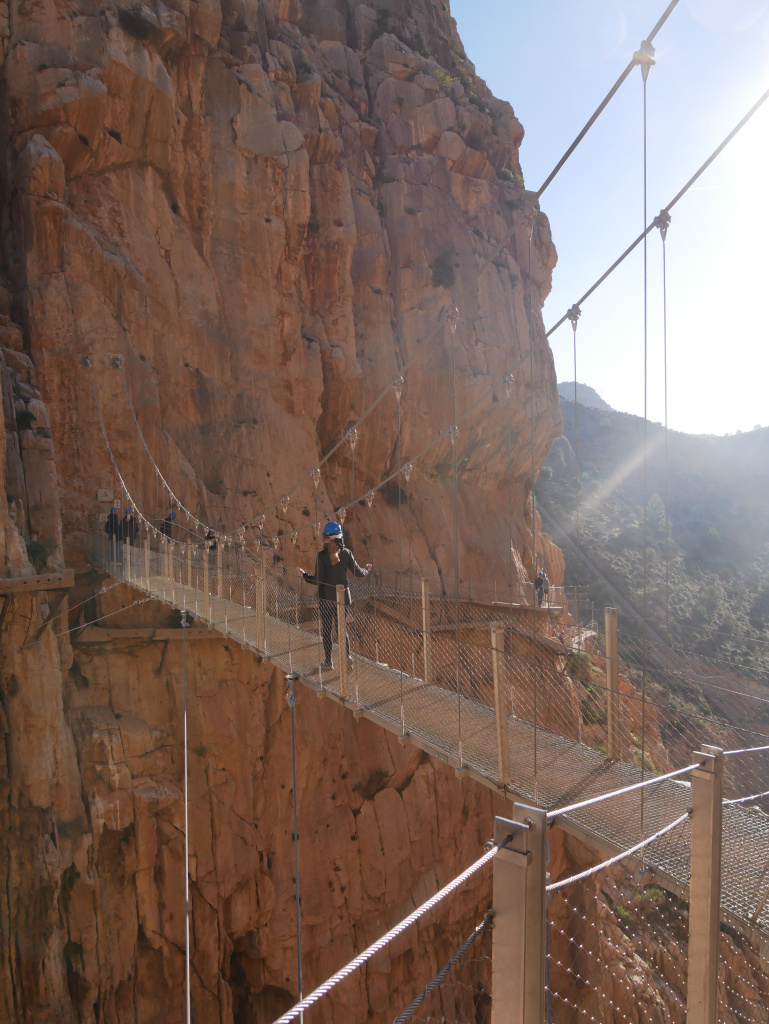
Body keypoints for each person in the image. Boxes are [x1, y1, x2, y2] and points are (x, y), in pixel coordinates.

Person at [296, 521, 371, 669]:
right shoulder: (347, 553)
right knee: (341, 629)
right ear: (339, 537)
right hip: (342, 598)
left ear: (327, 537)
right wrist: (367, 569)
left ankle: (329, 662)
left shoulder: (322, 556)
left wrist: (304, 575)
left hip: (325, 599)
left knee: (327, 630)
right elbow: (358, 573)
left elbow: (318, 580)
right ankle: (347, 656)